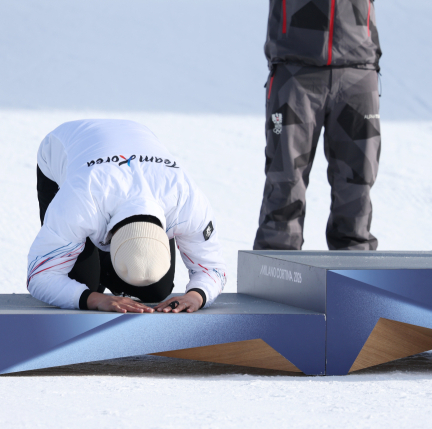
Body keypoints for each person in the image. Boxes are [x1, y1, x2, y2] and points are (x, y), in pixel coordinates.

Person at [27, 119, 227, 313]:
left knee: (154, 291)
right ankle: (98, 265)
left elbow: (213, 267)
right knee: (84, 284)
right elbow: (41, 274)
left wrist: (197, 296)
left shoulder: (186, 202)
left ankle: (108, 264)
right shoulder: (78, 203)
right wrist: (95, 300)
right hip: (63, 146)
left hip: (133, 138)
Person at [254, 0, 382, 251]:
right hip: (295, 68)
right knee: (285, 179)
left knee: (357, 183)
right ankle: (276, 267)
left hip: (358, 68)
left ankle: (355, 268)